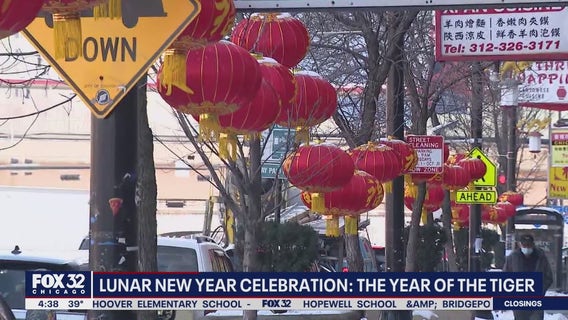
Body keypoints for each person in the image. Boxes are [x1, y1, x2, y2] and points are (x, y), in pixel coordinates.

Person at [502, 234, 553, 320]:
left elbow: (548, 277)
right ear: (520, 244)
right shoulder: (513, 258)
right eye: (524, 245)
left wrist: (541, 289)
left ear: (533, 244)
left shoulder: (540, 257)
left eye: (528, 245)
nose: (526, 247)